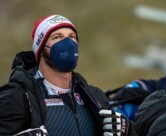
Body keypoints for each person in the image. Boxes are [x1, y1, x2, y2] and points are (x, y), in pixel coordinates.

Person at [0, 14, 133, 136]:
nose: (67, 43)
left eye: (72, 37)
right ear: (40, 49)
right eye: (57, 37)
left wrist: (129, 131)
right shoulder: (16, 97)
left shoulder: (95, 96)